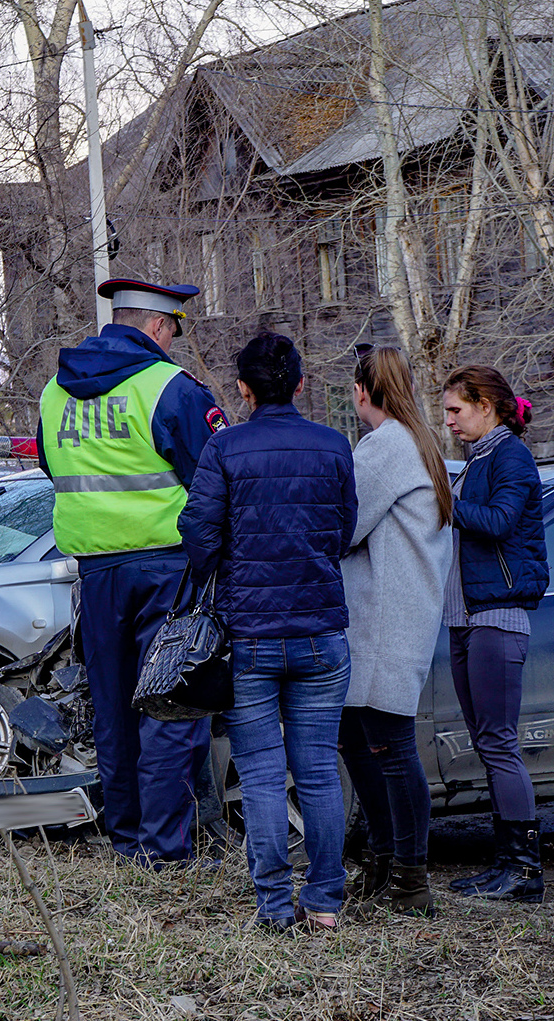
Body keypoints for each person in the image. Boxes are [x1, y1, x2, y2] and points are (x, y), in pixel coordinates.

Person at [36, 278, 229, 867]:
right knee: (172, 703)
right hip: (167, 569)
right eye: (174, 328)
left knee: (115, 708)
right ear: (156, 326)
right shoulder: (170, 388)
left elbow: (52, 469)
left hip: (94, 572)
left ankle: (125, 839)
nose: (174, 340)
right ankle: (164, 849)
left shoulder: (53, 393)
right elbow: (214, 478)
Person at [179, 333, 357, 932]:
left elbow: (198, 532)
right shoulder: (334, 446)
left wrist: (226, 575)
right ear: (301, 384)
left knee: (258, 771)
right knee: (317, 770)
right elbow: (344, 528)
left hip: (252, 636)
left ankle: (275, 907)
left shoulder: (225, 449)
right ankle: (326, 901)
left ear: (243, 390)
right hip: (322, 632)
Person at [339, 347, 455, 917]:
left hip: (385, 619)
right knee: (363, 741)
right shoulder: (419, 439)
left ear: (365, 390)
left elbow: (344, 523)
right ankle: (387, 863)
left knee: (389, 748)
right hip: (396, 614)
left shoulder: (384, 447)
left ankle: (409, 879)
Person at [439, 365, 549, 903]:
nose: (450, 422)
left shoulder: (510, 455)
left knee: (500, 745)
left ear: (487, 406)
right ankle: (505, 863)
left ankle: (526, 871)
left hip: (498, 617)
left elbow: (502, 519)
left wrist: (448, 505)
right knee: (488, 744)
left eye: (456, 410)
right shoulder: (478, 457)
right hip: (467, 620)